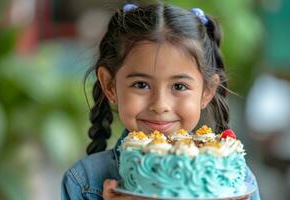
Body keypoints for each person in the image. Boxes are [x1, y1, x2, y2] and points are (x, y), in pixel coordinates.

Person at [61, 3, 261, 200]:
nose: (160, 105)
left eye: (179, 87)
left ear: (206, 92)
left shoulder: (235, 181)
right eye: (141, 85)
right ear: (110, 86)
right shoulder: (84, 181)